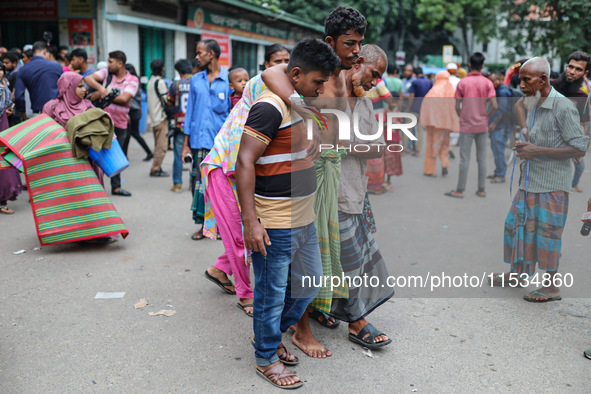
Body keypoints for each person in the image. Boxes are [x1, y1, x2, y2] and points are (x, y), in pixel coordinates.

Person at [236, 37, 339, 390]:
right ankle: (266, 356)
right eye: (317, 82)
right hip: (276, 221)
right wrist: (251, 221)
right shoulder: (270, 108)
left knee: (309, 285)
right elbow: (244, 161)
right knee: (271, 291)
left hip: (304, 217)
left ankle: (273, 334)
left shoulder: (298, 102)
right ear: (295, 74)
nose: (321, 88)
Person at [199, 44, 290, 320]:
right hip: (222, 171)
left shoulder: (276, 100)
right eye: (277, 62)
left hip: (234, 171)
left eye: (287, 61)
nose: (282, 68)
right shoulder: (259, 96)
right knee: (241, 236)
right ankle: (245, 294)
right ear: (265, 67)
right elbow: (242, 160)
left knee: (243, 232)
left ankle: (218, 269)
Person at [490, 57, 588, 302]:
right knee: (516, 225)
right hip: (530, 178)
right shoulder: (534, 99)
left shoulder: (563, 106)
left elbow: (579, 149)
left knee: (548, 234)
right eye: (520, 79)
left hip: (552, 183)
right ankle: (517, 273)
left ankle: (552, 287)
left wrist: (536, 150)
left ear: (543, 79)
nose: (521, 84)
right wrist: (527, 140)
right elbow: (521, 111)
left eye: (526, 79)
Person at [182, 39, 233, 240]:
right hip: (197, 142)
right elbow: (190, 113)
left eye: (200, 53)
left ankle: (220, 225)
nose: (197, 57)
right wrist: (185, 144)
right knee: (197, 185)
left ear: (211, 54)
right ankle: (204, 224)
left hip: (220, 145)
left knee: (220, 186)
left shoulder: (230, 80)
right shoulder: (195, 80)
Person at [85, 50, 139, 197]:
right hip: (101, 122)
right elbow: (89, 79)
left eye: (111, 61)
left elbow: (124, 99)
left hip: (119, 123)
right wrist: (102, 89)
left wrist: (101, 93)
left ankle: (116, 187)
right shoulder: (106, 73)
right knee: (97, 154)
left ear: (120, 64)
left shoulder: (132, 79)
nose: (108, 64)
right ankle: (96, 188)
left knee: (115, 156)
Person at [445, 52, 497, 199]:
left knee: (464, 159)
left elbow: (456, 105)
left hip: (466, 125)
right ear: (482, 66)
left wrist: (462, 116)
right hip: (482, 125)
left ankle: (460, 190)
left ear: (469, 65)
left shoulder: (463, 83)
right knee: (481, 159)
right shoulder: (488, 83)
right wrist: (486, 116)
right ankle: (481, 189)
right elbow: (495, 105)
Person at [550, 51, 590, 193]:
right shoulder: (548, 86)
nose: (572, 72)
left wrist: (579, 147)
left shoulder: (582, 97)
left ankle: (574, 184)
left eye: (578, 69)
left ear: (585, 73)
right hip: (542, 144)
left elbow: (582, 123)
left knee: (579, 166)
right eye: (571, 67)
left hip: (565, 144)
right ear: (566, 66)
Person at [420, 70, 459, 177]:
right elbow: (455, 106)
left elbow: (426, 105)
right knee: (444, 145)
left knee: (433, 146)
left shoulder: (434, 90)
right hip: (447, 124)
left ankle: (430, 170)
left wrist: (426, 121)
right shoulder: (451, 90)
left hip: (435, 124)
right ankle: (444, 163)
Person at [14, 41, 62, 118]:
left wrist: (23, 114)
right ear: (45, 52)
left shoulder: (23, 70)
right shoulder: (56, 66)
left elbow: (18, 96)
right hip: (57, 113)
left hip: (38, 114)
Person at [167, 59, 193, 193]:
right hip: (194, 125)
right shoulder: (197, 82)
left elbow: (169, 101)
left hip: (180, 125)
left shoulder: (176, 84)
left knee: (178, 155)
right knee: (194, 155)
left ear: (179, 71)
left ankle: (177, 184)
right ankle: (192, 183)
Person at [0, 63, 21, 214]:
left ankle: (2, 201)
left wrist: (9, 110)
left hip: (3, 127)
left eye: (0, 69)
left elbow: (9, 105)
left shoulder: (4, 87)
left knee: (4, 164)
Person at [487, 71, 513, 183]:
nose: (492, 83)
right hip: (500, 125)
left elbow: (502, 109)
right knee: (496, 149)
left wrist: (493, 123)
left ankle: (501, 174)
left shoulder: (502, 92)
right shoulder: (498, 90)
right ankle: (498, 171)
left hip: (503, 126)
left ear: (499, 80)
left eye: (493, 80)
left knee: (499, 150)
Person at [123, 63, 152, 162]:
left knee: (129, 134)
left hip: (132, 111)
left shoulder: (131, 82)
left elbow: (128, 99)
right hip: (136, 111)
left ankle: (125, 156)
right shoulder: (136, 81)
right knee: (132, 134)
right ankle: (148, 152)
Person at [146, 59, 170, 178]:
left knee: (158, 145)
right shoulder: (160, 82)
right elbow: (166, 99)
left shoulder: (150, 81)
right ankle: (155, 169)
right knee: (162, 146)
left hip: (153, 118)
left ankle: (158, 167)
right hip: (160, 118)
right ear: (162, 69)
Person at [407, 66, 433, 157]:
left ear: (414, 73)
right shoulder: (429, 82)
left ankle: (404, 150)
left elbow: (412, 96)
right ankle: (417, 151)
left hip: (414, 108)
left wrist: (409, 108)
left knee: (407, 129)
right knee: (420, 131)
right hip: (424, 109)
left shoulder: (415, 82)